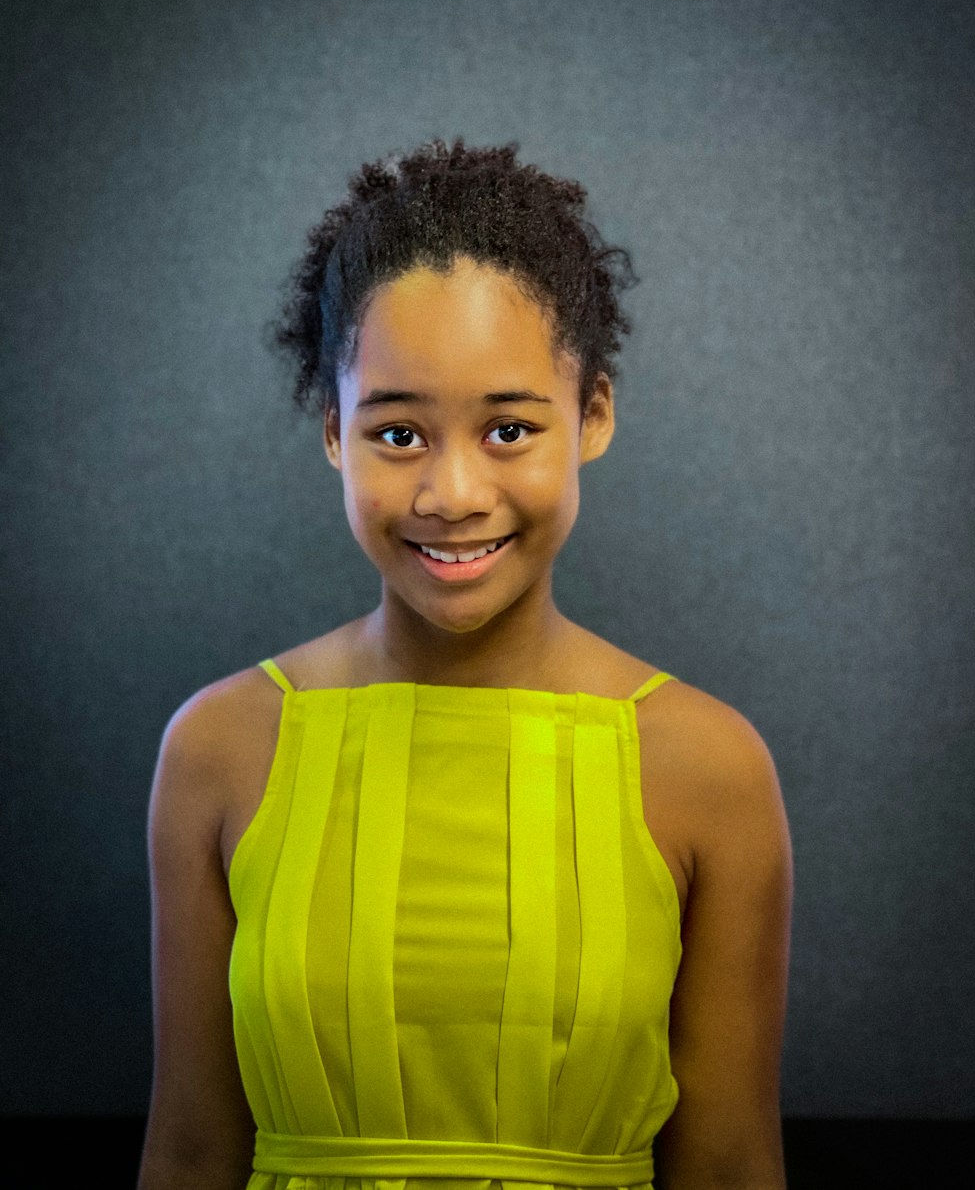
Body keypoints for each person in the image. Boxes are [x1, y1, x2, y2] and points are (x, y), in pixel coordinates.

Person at [137, 138, 793, 1190]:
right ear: (332, 435)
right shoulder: (217, 749)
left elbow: (727, 1161)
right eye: (397, 433)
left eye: (507, 428)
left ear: (593, 417)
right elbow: (190, 1147)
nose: (450, 490)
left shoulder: (711, 769)